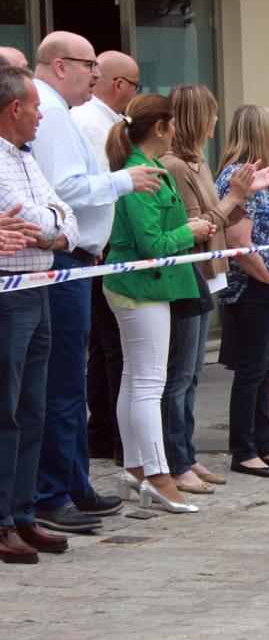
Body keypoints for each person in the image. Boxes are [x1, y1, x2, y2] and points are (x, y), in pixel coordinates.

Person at [31, 31, 162, 533]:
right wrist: (123, 181)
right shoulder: (51, 110)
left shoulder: (57, 111)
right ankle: (54, 491)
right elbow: (65, 188)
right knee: (62, 384)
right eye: (89, 65)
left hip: (76, 257)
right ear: (62, 65)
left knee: (67, 382)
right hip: (64, 260)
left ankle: (71, 484)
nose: (95, 75)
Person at [103, 93, 218, 514]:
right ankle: (156, 474)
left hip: (144, 286)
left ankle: (138, 466)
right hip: (142, 287)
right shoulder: (141, 173)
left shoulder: (144, 168)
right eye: (172, 125)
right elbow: (152, 244)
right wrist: (191, 230)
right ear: (160, 128)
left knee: (137, 380)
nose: (175, 132)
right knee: (148, 383)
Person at [163, 85, 269, 490]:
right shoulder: (174, 166)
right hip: (187, 274)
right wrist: (236, 197)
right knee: (179, 375)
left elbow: (217, 217)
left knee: (191, 373)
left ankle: (186, 454)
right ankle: (176, 457)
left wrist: (241, 197)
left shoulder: (198, 164)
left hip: (206, 273)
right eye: (211, 114)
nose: (216, 122)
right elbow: (206, 222)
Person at [0, 65, 78, 561]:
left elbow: (62, 218)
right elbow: (25, 216)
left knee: (34, 408)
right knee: (5, 410)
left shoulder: (27, 159)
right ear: (14, 109)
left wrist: (52, 229)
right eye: (34, 105)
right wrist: (51, 225)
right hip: (10, 296)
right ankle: (2, 517)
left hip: (40, 286)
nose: (41, 114)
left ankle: (23, 512)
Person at [215, 105, 269, 478]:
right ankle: (244, 448)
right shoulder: (236, 176)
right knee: (252, 372)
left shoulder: (256, 177)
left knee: (264, 369)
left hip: (268, 290)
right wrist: (268, 278)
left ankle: (263, 443)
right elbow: (239, 241)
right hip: (253, 290)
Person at [71, 51, 140, 466]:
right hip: (99, 247)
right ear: (121, 85)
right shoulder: (89, 123)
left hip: (100, 244)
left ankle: (102, 432)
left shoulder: (107, 122)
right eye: (136, 86)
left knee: (104, 347)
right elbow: (96, 186)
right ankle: (113, 436)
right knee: (112, 347)